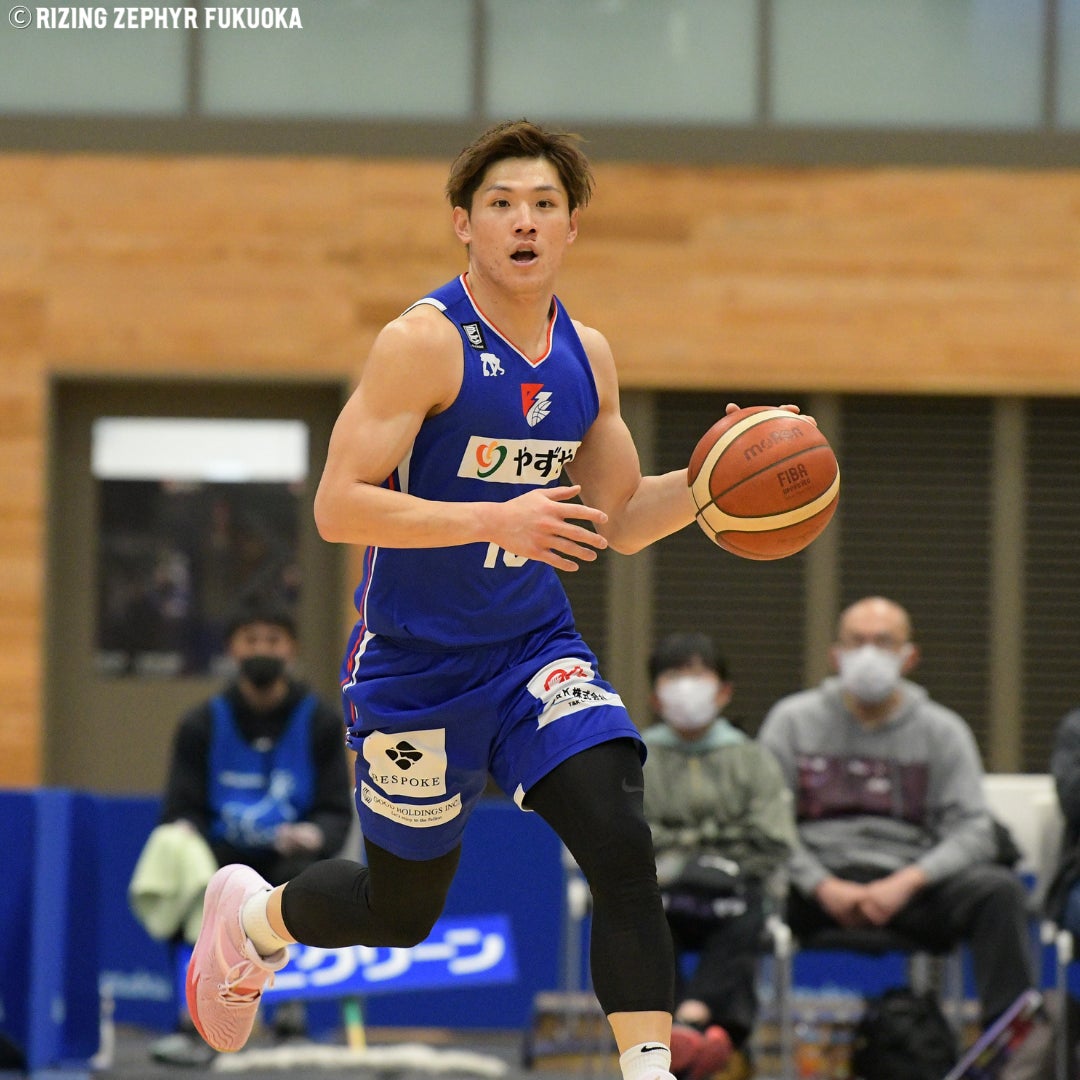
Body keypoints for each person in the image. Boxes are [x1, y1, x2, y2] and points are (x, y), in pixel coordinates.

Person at [184, 118, 809, 1080]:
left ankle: (647, 1072)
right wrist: (494, 519)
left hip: (531, 650)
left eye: (545, 205)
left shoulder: (587, 356)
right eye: (502, 204)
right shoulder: (421, 343)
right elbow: (337, 506)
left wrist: (713, 480)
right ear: (463, 224)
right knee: (401, 911)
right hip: (415, 666)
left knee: (620, 842)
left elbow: (618, 519)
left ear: (571, 229)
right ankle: (255, 920)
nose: (524, 222)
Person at [758, 595, 1050, 1073]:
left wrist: (909, 881)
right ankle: (702, 1036)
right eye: (857, 641)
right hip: (815, 887)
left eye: (883, 642)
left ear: (909, 656)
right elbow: (766, 824)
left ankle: (1008, 1049)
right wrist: (821, 884)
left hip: (911, 885)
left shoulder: (943, 731)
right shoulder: (792, 722)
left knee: (997, 892)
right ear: (835, 654)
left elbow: (974, 828)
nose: (869, 653)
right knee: (736, 894)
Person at [153, 594, 353, 1064]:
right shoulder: (201, 723)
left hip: (290, 858)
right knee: (186, 872)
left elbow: (335, 810)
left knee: (307, 880)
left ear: (291, 649)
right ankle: (194, 1018)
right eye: (251, 639)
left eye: (273, 640)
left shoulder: (321, 722)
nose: (262, 648)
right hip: (220, 857)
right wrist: (187, 836)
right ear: (233, 649)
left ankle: (290, 1015)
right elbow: (181, 808)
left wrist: (313, 834)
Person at [642, 633, 796, 1080]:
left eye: (699, 675)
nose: (687, 687)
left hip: (731, 891)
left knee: (749, 910)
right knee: (640, 917)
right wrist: (694, 855)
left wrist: (704, 856)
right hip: (663, 889)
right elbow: (628, 834)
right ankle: (713, 1036)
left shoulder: (753, 760)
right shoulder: (635, 756)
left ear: (724, 691)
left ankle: (679, 1030)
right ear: (655, 696)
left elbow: (772, 838)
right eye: (675, 675)